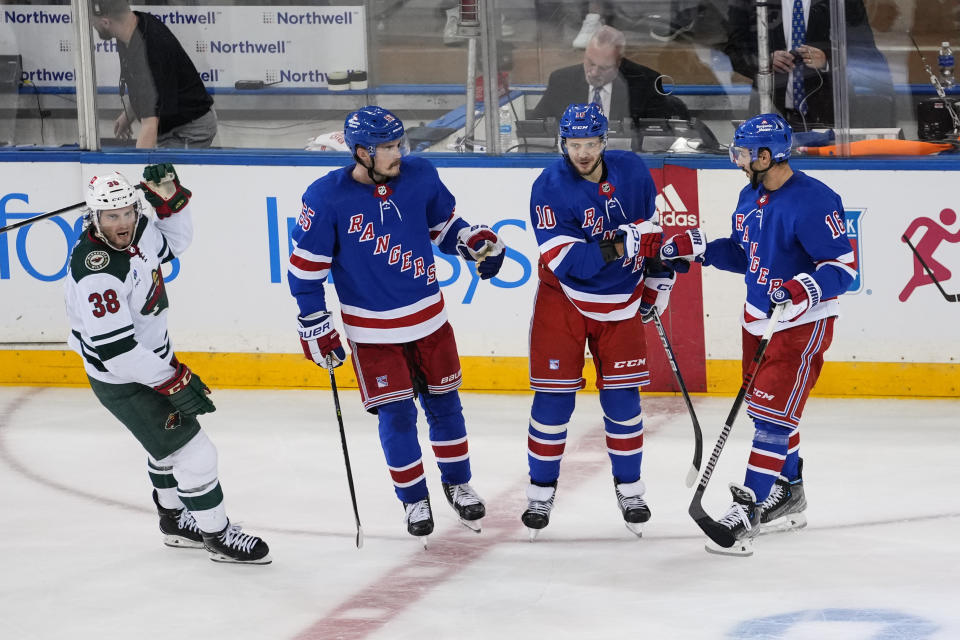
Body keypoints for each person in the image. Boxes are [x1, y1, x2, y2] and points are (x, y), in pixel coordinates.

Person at [287, 106, 507, 542]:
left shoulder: (421, 175)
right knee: (399, 415)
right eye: (386, 148)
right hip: (373, 335)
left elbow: (445, 228)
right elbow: (304, 273)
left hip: (429, 320)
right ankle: (413, 498)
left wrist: (473, 241)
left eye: (398, 144)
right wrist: (314, 323)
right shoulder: (325, 197)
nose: (397, 154)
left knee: (446, 406)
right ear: (361, 152)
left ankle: (457, 483)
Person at [660, 114, 856, 555]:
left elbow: (842, 268)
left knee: (770, 416)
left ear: (767, 156)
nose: (738, 159)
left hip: (800, 324)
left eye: (745, 152)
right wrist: (703, 250)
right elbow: (743, 252)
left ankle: (747, 511)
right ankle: (789, 489)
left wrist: (803, 288)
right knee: (765, 410)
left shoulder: (815, 201)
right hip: (757, 318)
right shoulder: (751, 194)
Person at [65, 164, 270, 564]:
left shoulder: (139, 229)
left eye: (127, 212)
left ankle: (175, 520)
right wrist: (172, 380)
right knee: (195, 454)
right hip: (123, 378)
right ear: (95, 218)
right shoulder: (98, 272)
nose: (122, 223)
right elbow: (117, 352)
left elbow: (176, 241)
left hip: (152, 360)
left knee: (164, 450)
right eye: (112, 216)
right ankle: (218, 536)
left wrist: (170, 198)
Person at [522, 102, 673, 540]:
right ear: (562, 143)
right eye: (574, 144)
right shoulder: (549, 186)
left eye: (590, 143)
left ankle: (631, 489)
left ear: (605, 142)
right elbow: (572, 263)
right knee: (553, 402)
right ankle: (539, 492)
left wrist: (658, 279)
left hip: (622, 303)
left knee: (624, 403)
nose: (583, 153)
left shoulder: (632, 170)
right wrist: (621, 245)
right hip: (563, 303)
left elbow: (651, 232)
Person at [724, 0, 892, 130]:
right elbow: (734, 50)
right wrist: (762, 62)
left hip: (828, 112)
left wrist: (827, 59)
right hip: (769, 110)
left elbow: (864, 50)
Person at [92, 0, 217, 148]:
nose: (93, 27)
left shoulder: (148, 52)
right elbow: (147, 89)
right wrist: (129, 114)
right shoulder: (132, 28)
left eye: (93, 23)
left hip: (189, 129)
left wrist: (137, 168)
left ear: (106, 22)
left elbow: (149, 127)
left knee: (160, 170)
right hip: (170, 124)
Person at [530, 26, 689, 123]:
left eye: (603, 67)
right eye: (590, 62)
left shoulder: (645, 82)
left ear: (619, 63)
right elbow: (534, 126)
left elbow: (656, 134)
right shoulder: (561, 80)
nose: (593, 72)